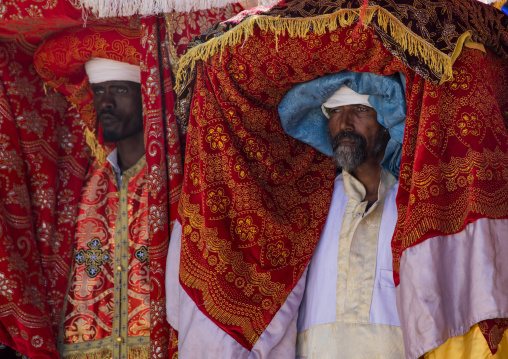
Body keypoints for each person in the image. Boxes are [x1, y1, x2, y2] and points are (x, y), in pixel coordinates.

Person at [278, 71, 407, 358]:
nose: (344, 124)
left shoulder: (413, 200)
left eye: (359, 109)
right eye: (335, 111)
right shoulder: (311, 203)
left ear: (386, 120)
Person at [59, 57, 150, 359]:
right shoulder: (86, 186)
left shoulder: (173, 180)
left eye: (120, 91)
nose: (106, 103)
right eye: (98, 92)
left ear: (147, 96)